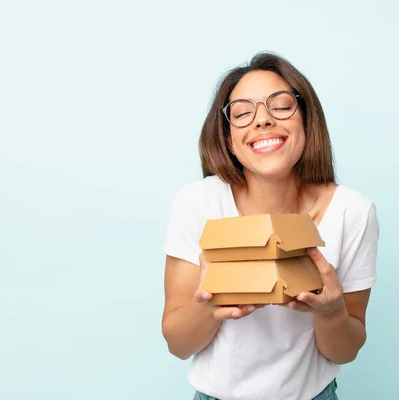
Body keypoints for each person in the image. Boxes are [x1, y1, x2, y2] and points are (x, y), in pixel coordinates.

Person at [161, 52, 379, 400]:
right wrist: (208, 304)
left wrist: (331, 313)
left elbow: (345, 351)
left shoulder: (352, 211)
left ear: (308, 122)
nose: (262, 120)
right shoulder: (197, 203)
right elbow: (177, 343)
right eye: (243, 112)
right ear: (228, 138)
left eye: (280, 106)